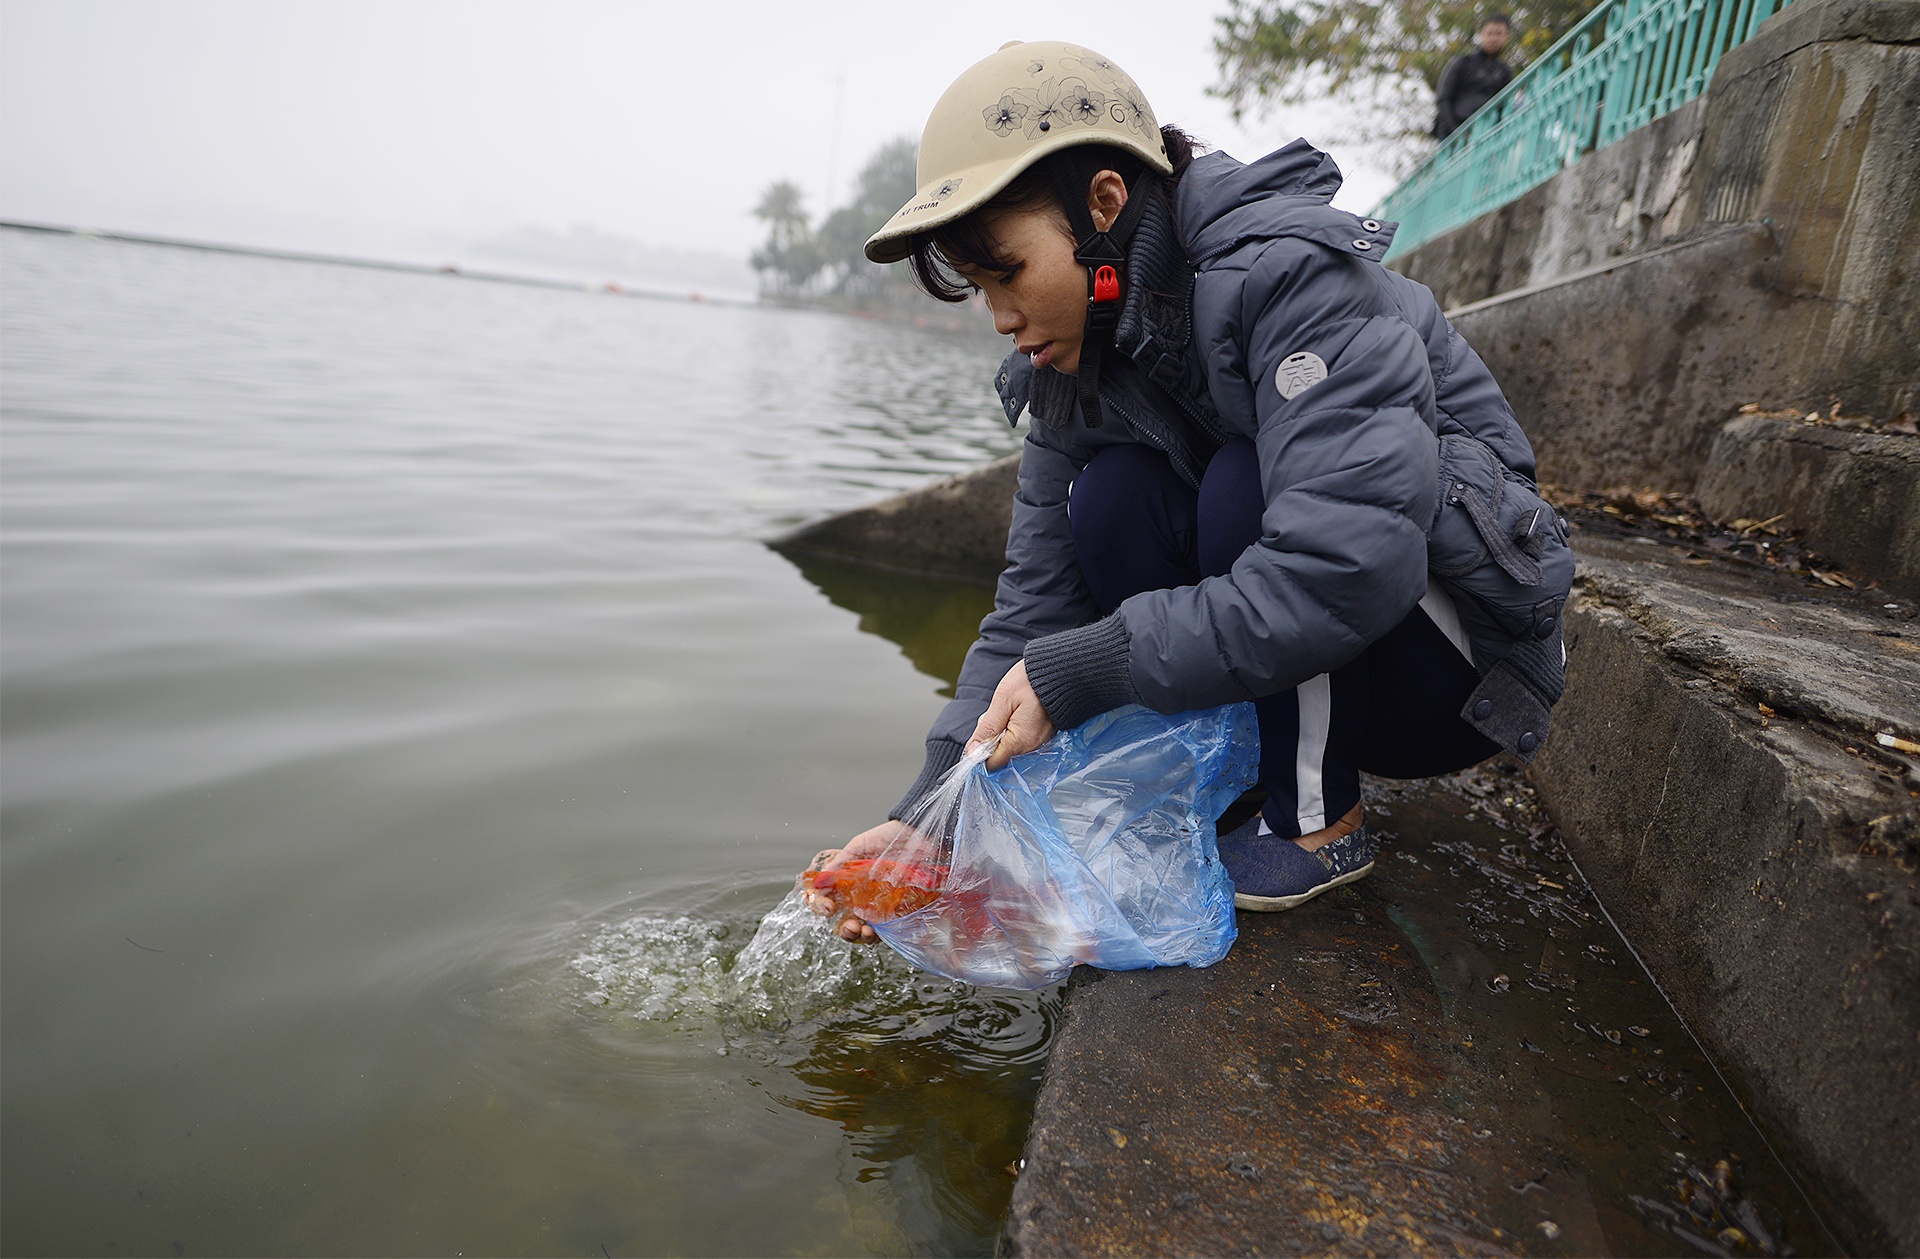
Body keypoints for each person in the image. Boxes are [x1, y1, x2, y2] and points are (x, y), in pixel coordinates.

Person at [806, 41, 1571, 943]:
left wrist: (1085, 669)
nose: (1000, 316)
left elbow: (1346, 563)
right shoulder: (1070, 370)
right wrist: (931, 821)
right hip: (1341, 656)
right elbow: (1030, 614)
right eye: (977, 288)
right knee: (1111, 497)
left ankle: (1314, 818)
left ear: (1103, 202)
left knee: (1247, 483)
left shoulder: (1288, 276)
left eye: (1006, 271)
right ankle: (1248, 783)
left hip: (1449, 668)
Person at [1433, 15, 1514, 139]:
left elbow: (1505, 106)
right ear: (1481, 34)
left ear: (1506, 37)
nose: (1493, 38)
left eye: (1499, 34)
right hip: (1454, 137)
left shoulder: (1505, 72)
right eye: (1489, 33)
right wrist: (1455, 132)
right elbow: (1443, 99)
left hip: (1487, 137)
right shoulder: (1462, 63)